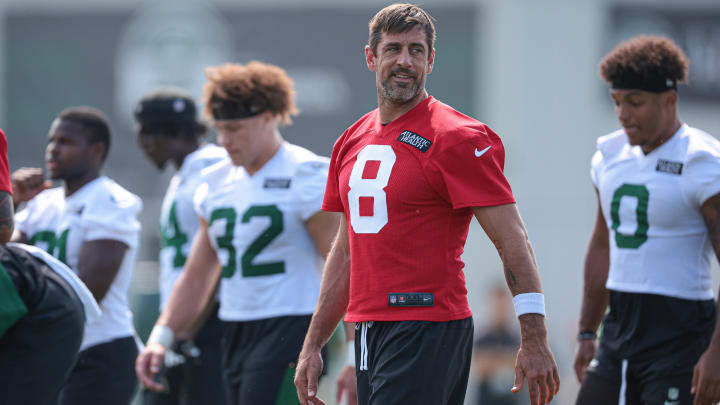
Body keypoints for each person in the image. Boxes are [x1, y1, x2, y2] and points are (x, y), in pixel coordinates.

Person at [294, 4, 559, 405]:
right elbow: (346, 250)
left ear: (431, 60)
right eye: (394, 48)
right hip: (368, 328)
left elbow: (512, 238)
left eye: (416, 50)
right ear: (371, 57)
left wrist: (534, 336)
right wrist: (314, 343)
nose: (405, 61)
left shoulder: (458, 137)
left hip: (427, 324)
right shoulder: (351, 140)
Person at [136, 61, 341, 404]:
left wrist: (348, 350)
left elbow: (342, 266)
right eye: (220, 129)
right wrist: (160, 337)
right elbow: (198, 275)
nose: (224, 141)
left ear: (268, 118)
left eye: (234, 129)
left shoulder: (306, 174)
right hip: (233, 330)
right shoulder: (216, 181)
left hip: (293, 327)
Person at [574, 35, 720, 405]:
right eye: (617, 102)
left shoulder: (703, 162)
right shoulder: (609, 156)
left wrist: (717, 352)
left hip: (681, 331)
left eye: (635, 103)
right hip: (620, 326)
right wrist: (587, 331)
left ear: (669, 100)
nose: (623, 114)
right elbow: (603, 243)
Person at [11, 107, 143, 405]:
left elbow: (87, 293)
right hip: (49, 350)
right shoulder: (40, 203)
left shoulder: (111, 201)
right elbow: (8, 261)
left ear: (96, 150)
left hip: (98, 351)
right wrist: (12, 203)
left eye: (66, 141)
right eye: (51, 140)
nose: (53, 149)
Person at [133, 88, 228, 405]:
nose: (143, 144)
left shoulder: (212, 167)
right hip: (182, 324)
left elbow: (221, 253)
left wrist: (189, 326)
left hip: (203, 324)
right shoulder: (183, 174)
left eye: (146, 133)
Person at [473, 284, 522, 405]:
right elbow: (479, 369)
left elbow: (520, 368)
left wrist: (493, 358)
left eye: (504, 306)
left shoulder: (516, 339)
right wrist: (506, 358)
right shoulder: (482, 338)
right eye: (498, 306)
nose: (501, 311)